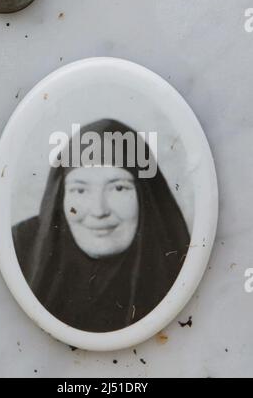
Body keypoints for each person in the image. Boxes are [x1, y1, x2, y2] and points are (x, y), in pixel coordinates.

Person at [13, 119, 190, 332]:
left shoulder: (181, 263)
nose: (98, 210)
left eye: (118, 189)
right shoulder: (17, 251)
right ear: (60, 196)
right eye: (80, 190)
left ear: (145, 194)